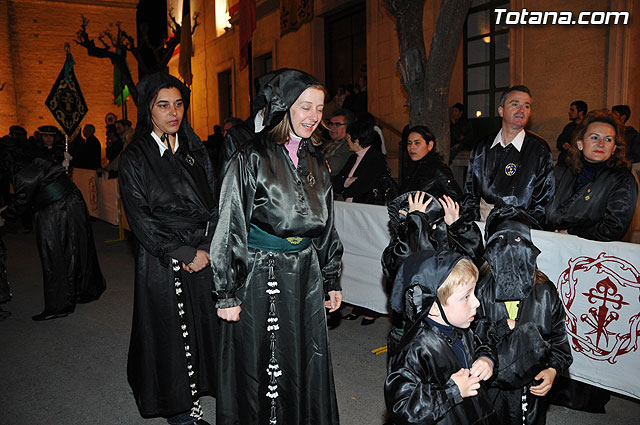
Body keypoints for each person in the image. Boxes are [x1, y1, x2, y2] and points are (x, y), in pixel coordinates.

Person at [210, 68, 343, 425]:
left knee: (303, 359)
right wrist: (226, 292)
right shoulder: (251, 155)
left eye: (319, 109)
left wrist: (331, 278)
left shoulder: (317, 159)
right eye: (305, 107)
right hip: (259, 272)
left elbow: (327, 224)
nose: (314, 117)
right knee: (262, 363)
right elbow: (230, 222)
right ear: (284, 108)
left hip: (306, 274)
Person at [119, 72, 219, 425]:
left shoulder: (196, 151)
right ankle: (182, 413)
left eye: (178, 104)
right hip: (163, 259)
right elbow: (139, 216)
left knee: (204, 329)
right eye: (163, 105)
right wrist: (183, 253)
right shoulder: (135, 158)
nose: (173, 112)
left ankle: (203, 396)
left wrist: (205, 247)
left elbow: (215, 203)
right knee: (170, 336)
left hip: (202, 254)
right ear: (149, 110)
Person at [473, 206, 573, 425]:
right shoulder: (479, 291)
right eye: (500, 239)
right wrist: (500, 328)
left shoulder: (545, 293)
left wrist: (553, 369)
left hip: (531, 387)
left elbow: (559, 343)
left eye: (518, 239)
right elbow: (470, 339)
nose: (509, 247)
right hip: (492, 387)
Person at [384, 250, 497, 425]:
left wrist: (486, 358)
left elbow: (483, 341)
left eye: (474, 293)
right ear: (434, 308)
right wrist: (453, 391)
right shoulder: (415, 350)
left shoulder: (464, 326)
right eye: (466, 296)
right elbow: (403, 406)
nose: (476, 302)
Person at [0, 136, 105, 321]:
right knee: (77, 248)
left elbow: (22, 200)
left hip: (55, 209)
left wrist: (4, 215)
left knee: (55, 254)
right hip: (72, 201)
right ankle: (82, 291)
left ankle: (60, 305)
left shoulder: (21, 168)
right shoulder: (35, 159)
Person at [462, 85, 555, 229]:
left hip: (520, 230)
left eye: (527, 106)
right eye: (515, 104)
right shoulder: (483, 147)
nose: (521, 110)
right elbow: (470, 193)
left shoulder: (539, 149)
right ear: (501, 110)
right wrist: (472, 228)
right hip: (482, 225)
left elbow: (543, 203)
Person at [546, 109, 638, 241]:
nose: (601, 144)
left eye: (608, 139)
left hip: (592, 256)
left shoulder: (622, 180)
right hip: (556, 245)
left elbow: (613, 228)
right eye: (594, 137)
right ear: (580, 144)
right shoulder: (568, 172)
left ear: (613, 148)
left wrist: (571, 232)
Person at [332, 120, 390, 204]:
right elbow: (336, 183)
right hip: (348, 206)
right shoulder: (353, 157)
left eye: (347, 137)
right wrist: (347, 181)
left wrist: (344, 190)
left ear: (356, 140)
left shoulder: (376, 158)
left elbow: (363, 186)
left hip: (365, 209)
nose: (346, 140)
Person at [400, 125, 463, 202]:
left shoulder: (438, 169)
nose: (412, 147)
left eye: (417, 143)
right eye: (409, 143)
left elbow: (458, 198)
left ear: (430, 145)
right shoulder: (411, 168)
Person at [321, 109, 356, 177]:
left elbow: (332, 167)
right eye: (330, 124)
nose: (332, 128)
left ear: (348, 126)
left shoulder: (349, 146)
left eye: (337, 124)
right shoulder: (326, 143)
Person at [556, 100, 588, 166]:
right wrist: (563, 144)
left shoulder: (587, 128)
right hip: (564, 163)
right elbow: (559, 142)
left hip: (579, 164)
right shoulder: (569, 127)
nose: (569, 112)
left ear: (580, 112)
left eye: (572, 110)